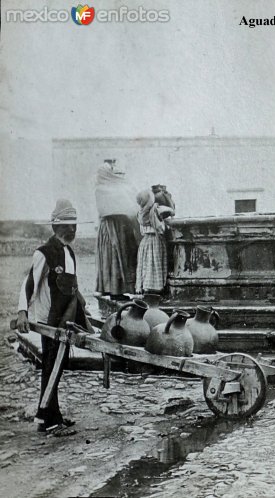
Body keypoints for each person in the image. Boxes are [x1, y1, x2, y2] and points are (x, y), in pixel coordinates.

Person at [16, 199, 90, 436]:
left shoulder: (69, 252)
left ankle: (53, 415)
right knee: (51, 365)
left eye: (74, 224)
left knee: (59, 365)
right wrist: (22, 313)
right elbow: (28, 284)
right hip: (50, 319)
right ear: (55, 227)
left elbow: (72, 286)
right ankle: (46, 420)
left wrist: (82, 309)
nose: (72, 229)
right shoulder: (44, 253)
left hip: (65, 318)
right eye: (67, 225)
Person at [94, 159, 140, 299]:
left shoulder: (114, 186)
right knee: (113, 257)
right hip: (111, 228)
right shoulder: (102, 188)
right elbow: (113, 208)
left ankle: (117, 290)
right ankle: (114, 291)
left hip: (119, 226)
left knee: (119, 257)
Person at [135, 189, 169, 295]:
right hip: (155, 240)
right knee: (154, 263)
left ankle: (145, 286)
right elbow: (161, 227)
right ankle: (156, 287)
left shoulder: (140, 213)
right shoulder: (155, 211)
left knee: (145, 264)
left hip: (145, 241)